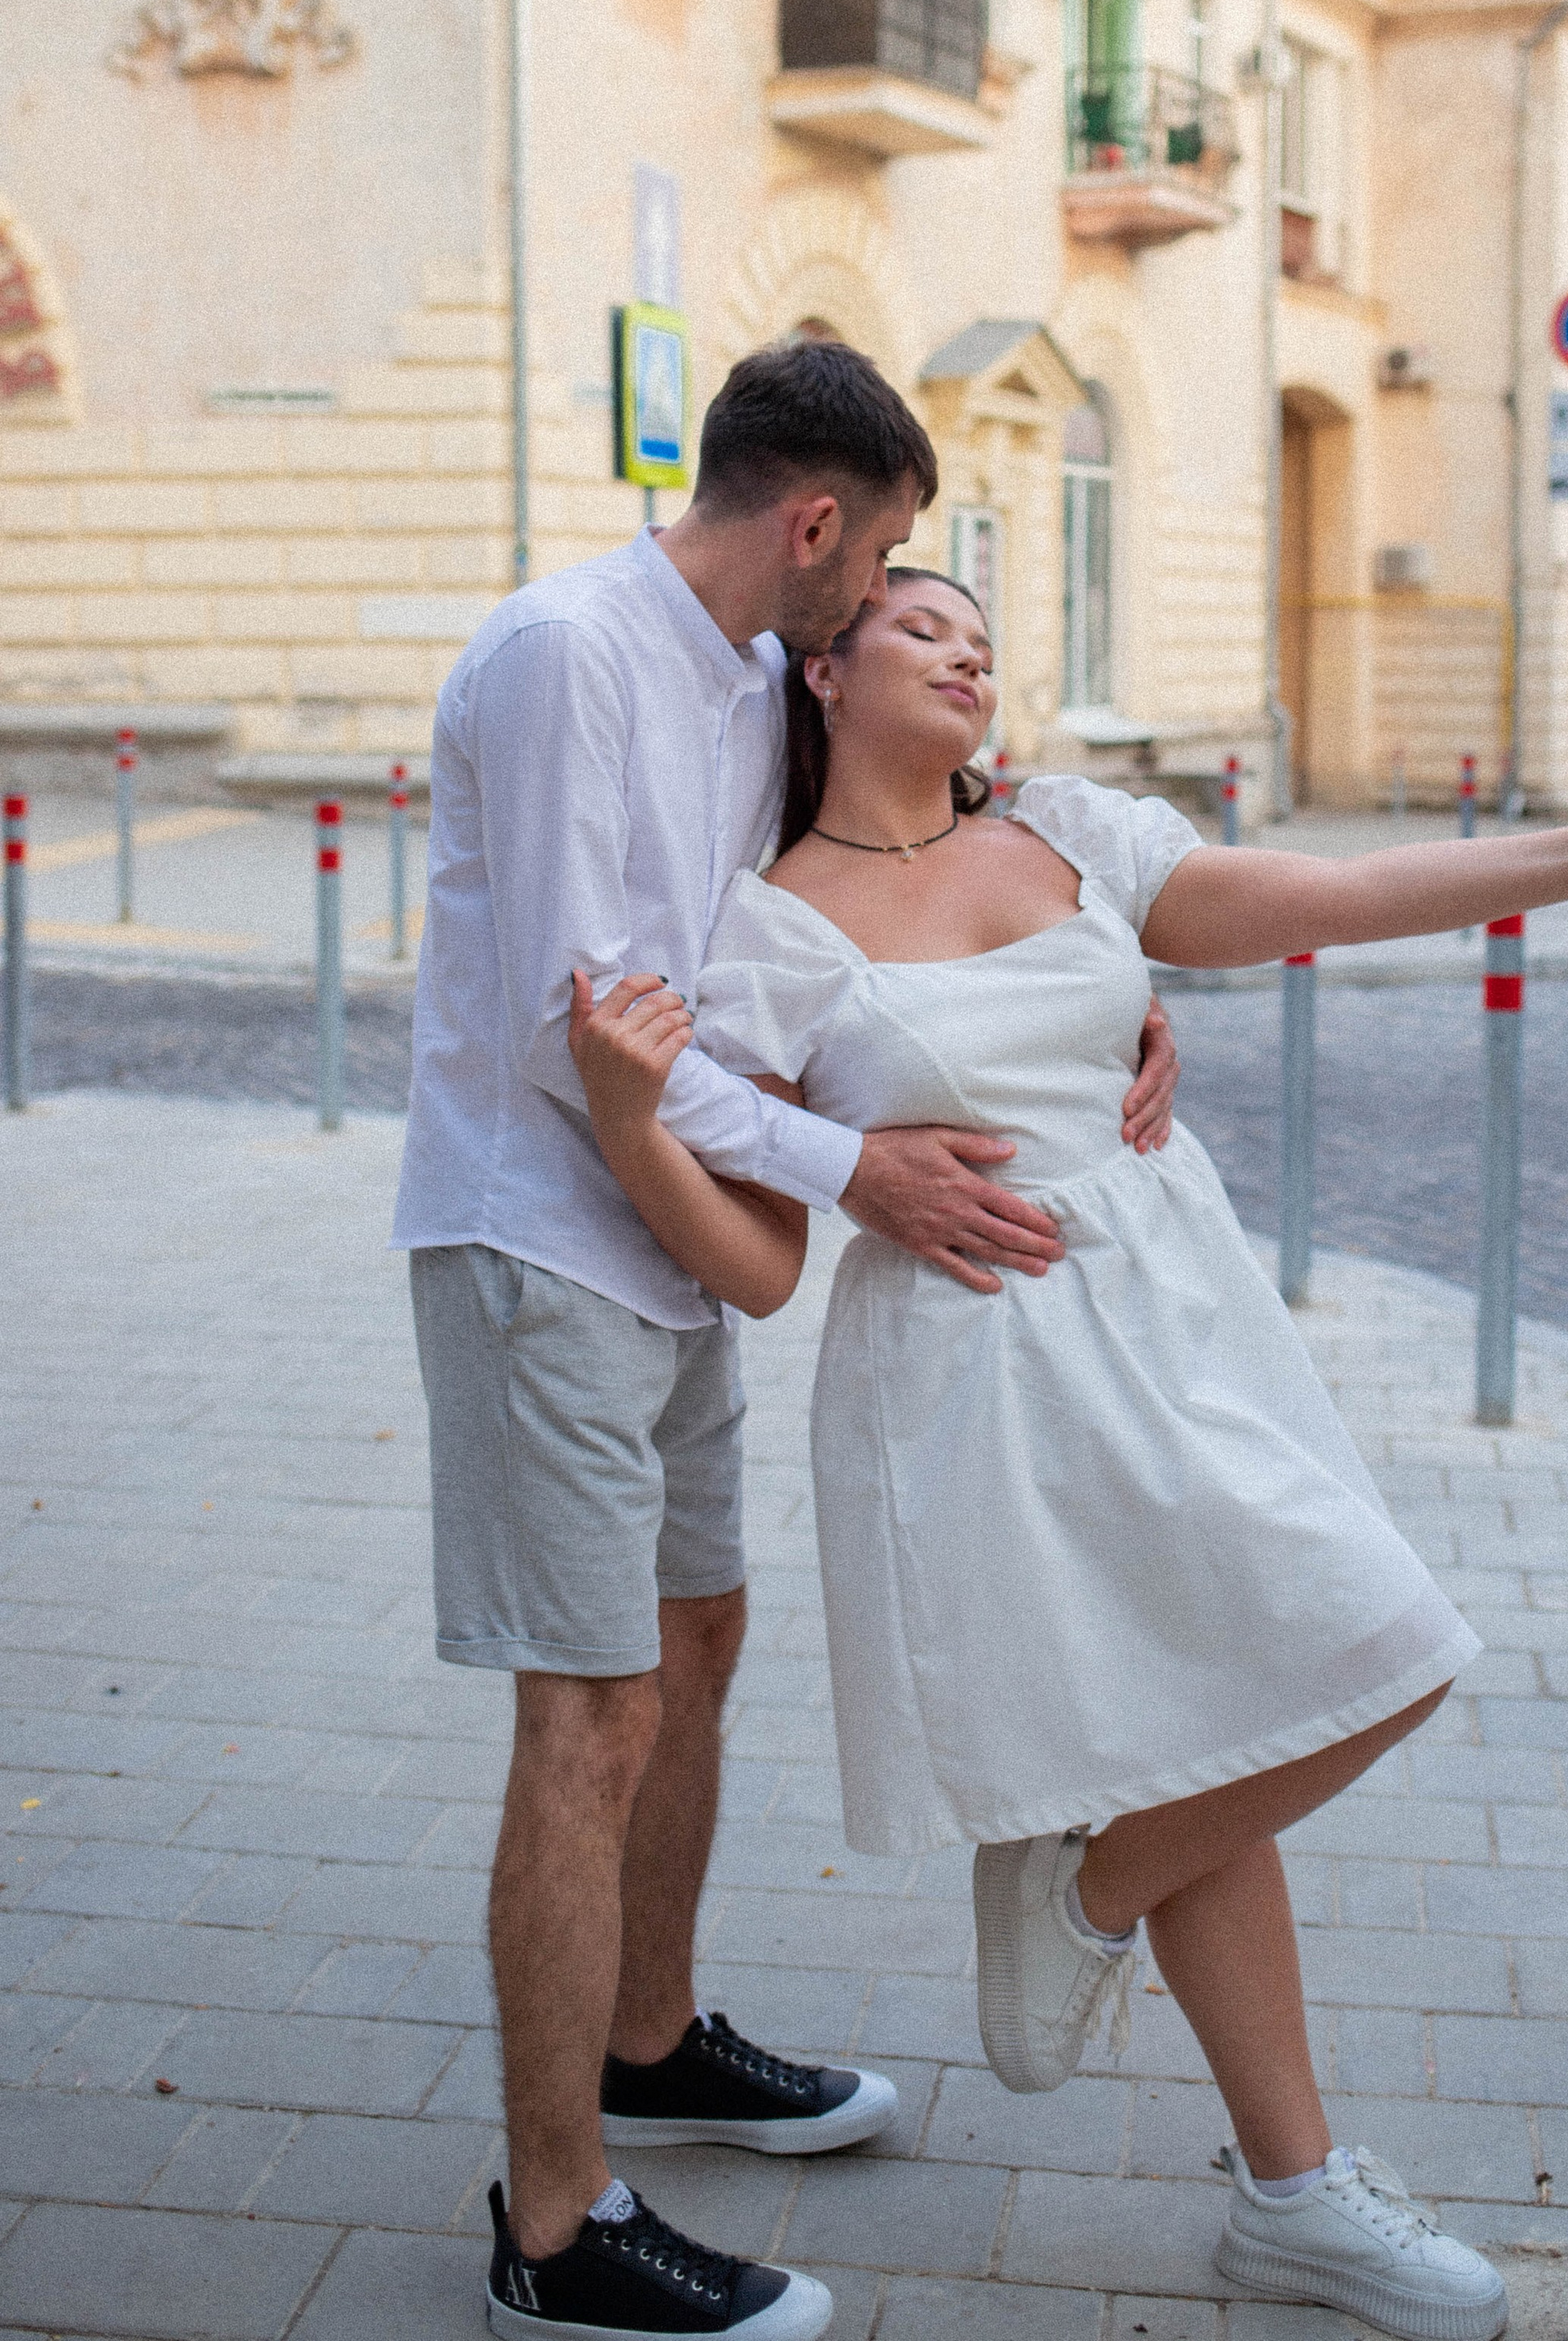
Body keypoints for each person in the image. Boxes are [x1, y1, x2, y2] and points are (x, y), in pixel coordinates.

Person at [568, 567, 1568, 2341]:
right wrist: (637, 1125)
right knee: (1276, 1699)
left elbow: (1319, 896)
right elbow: (759, 1263)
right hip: (974, 1371)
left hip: (1178, 1316)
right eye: (919, 627)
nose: (967, 650)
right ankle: (1285, 2183)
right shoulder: (774, 925)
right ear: (822, 669)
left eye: (981, 632)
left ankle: (1112, 1922)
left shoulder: (1067, 828)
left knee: (1349, 1659)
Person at [391, 346, 1179, 2341]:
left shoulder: (748, 671)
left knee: (694, 1647)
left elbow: (879, 863)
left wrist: (1102, 995)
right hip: (538, 1238)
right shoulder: (568, 654)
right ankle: (554, 2228)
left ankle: (647, 2041)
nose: (892, 586)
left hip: (676, 1244)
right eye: (891, 548)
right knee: (586, 1718)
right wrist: (861, 1173)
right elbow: (605, 1034)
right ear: (815, 521)